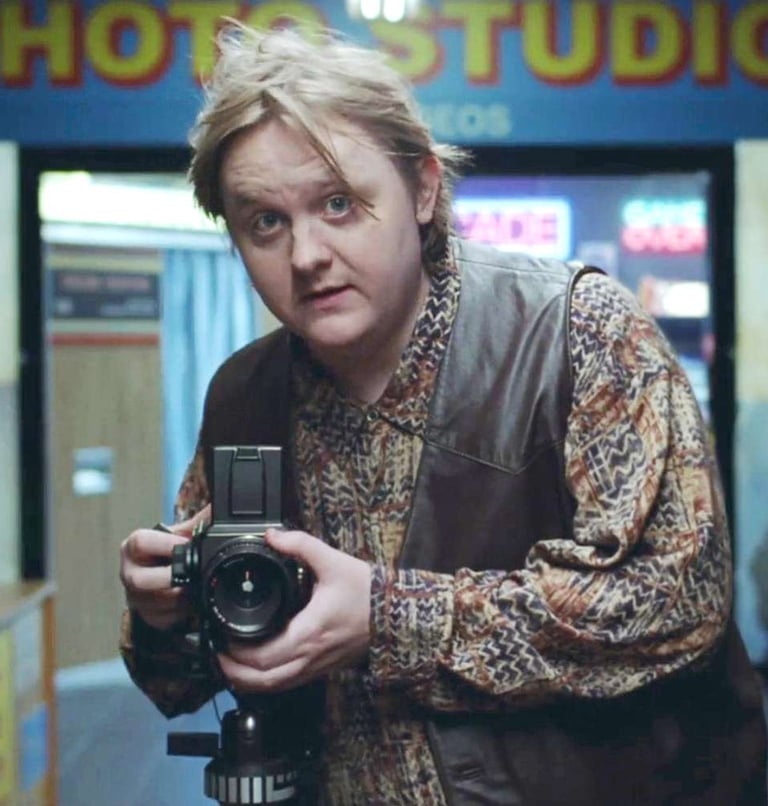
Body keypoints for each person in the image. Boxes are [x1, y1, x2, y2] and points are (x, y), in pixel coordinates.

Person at [119, 21, 767, 805]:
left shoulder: (576, 333)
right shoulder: (244, 395)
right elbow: (185, 682)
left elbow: (677, 604)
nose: (306, 255)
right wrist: (163, 614)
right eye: (266, 222)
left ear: (423, 190)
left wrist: (388, 618)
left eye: (338, 203)